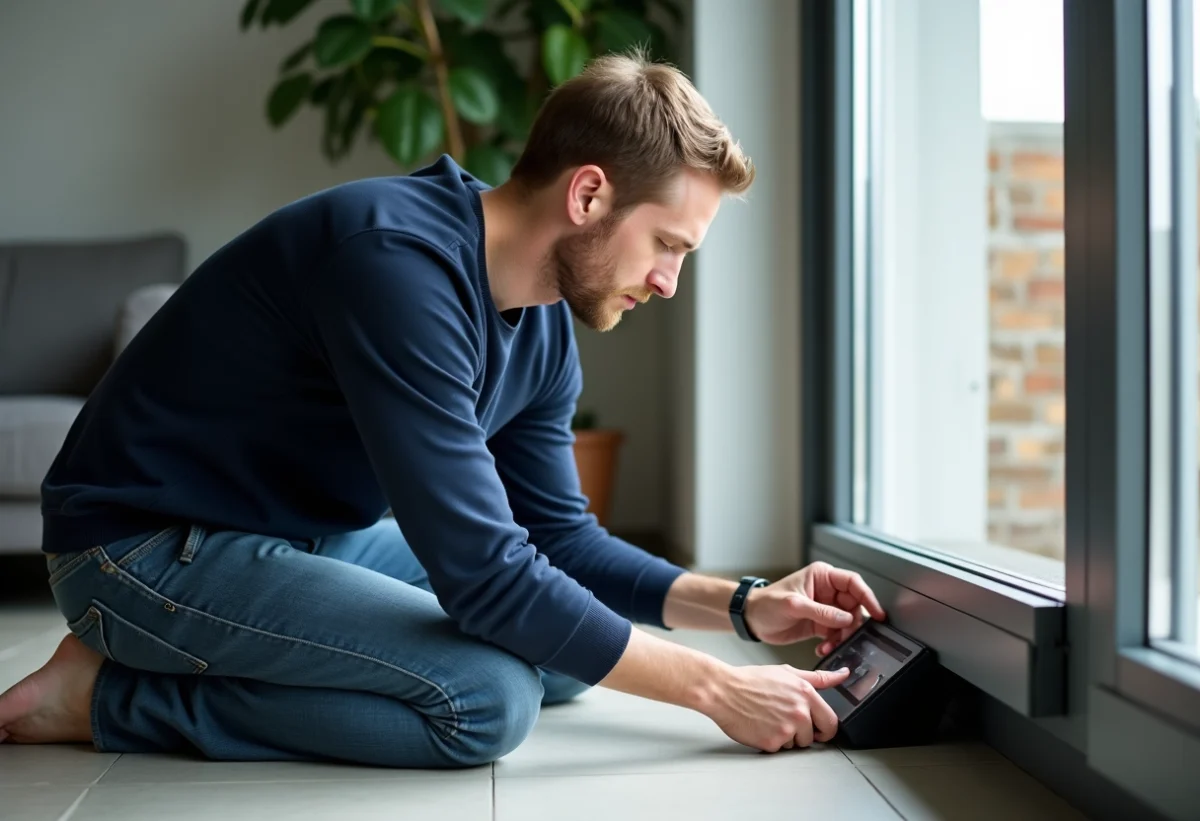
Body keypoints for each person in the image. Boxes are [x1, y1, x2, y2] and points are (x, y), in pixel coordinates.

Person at [0, 50, 886, 768]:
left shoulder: (542, 328)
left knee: (564, 663)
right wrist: (714, 685)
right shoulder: (395, 264)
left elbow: (562, 544)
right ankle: (107, 695)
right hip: (141, 550)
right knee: (487, 700)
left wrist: (745, 606)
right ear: (588, 195)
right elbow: (487, 572)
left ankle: (158, 658)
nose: (667, 279)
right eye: (666, 244)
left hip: (297, 531)